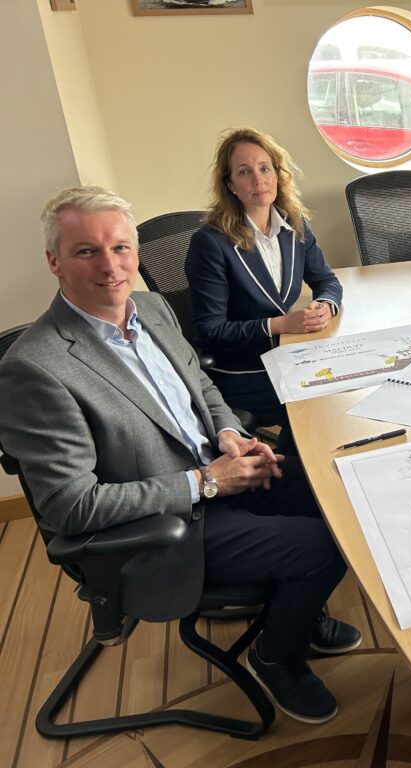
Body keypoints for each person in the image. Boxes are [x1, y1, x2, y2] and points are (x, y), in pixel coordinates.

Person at [0, 187, 359, 724]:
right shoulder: (36, 368)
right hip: (165, 524)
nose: (109, 266)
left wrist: (232, 435)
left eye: (120, 248)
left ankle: (298, 613)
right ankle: (276, 655)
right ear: (54, 260)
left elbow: (203, 389)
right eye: (85, 251)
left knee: (336, 495)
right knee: (325, 547)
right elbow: (70, 509)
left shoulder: (150, 307)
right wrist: (205, 482)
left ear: (136, 253)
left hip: (218, 473)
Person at [186, 127, 343, 455]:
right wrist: (279, 325)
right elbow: (210, 331)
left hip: (288, 357)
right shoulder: (210, 243)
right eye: (244, 172)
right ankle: (290, 482)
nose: (258, 179)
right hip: (243, 369)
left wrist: (326, 306)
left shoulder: (294, 225)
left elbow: (327, 281)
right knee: (321, 402)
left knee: (345, 383)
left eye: (264, 168)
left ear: (277, 174)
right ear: (230, 185)